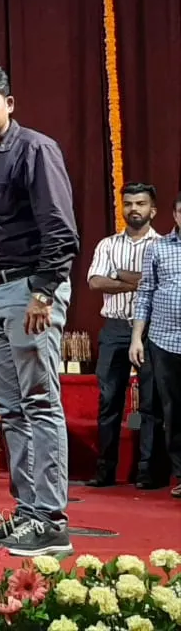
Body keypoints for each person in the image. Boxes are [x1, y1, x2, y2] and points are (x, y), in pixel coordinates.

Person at [0, 66, 79, 556]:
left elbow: (60, 229)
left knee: (39, 404)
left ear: (10, 102)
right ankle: (28, 515)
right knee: (10, 411)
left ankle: (51, 519)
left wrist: (44, 293)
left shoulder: (35, 150)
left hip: (29, 290)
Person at [87, 183, 166, 488]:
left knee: (151, 402)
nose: (134, 209)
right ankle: (105, 471)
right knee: (109, 400)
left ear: (153, 210)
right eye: (129, 203)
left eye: (141, 203)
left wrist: (118, 274)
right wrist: (140, 282)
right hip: (116, 328)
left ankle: (148, 472)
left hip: (153, 330)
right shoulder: (107, 244)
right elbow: (95, 282)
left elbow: (161, 285)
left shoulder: (163, 246)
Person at [130, 192, 181, 499]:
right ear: (174, 215)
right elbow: (145, 293)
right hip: (164, 339)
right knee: (174, 410)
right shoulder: (158, 248)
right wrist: (137, 337)